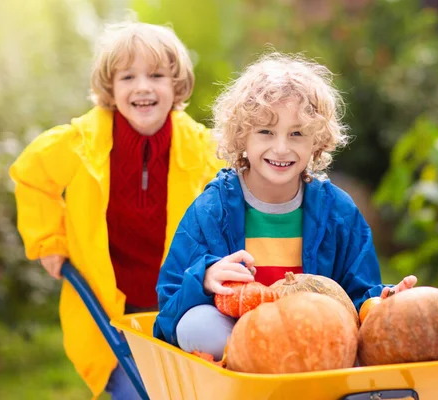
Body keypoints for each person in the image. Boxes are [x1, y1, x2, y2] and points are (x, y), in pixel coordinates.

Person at [9, 19, 222, 399]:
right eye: (128, 77)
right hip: (109, 303)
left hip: (180, 301)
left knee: (188, 388)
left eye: (156, 75)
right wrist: (50, 240)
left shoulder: (205, 150)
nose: (142, 87)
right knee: (134, 388)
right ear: (110, 88)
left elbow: (232, 205)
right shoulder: (78, 144)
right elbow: (31, 177)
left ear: (177, 85)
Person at [153, 52, 417, 360]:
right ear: (242, 137)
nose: (281, 147)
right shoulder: (213, 210)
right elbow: (168, 308)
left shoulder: (338, 212)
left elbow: (358, 296)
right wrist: (204, 279)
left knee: (366, 344)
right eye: (266, 131)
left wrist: (383, 301)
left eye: (297, 134)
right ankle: (258, 377)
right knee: (196, 327)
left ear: (316, 142)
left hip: (318, 339)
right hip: (242, 341)